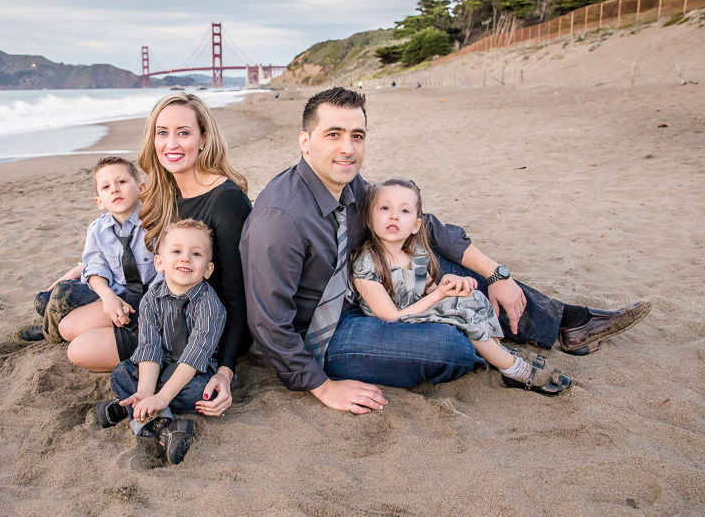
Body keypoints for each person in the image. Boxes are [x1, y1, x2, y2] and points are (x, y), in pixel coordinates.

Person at [241, 86, 650, 414]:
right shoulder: (280, 220)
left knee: (464, 277)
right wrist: (323, 387)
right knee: (450, 348)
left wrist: (496, 275)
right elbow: (268, 323)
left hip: (369, 288)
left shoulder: (349, 183)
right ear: (304, 141)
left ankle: (564, 324)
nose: (348, 148)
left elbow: (428, 227)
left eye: (357, 136)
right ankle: (485, 345)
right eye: (334, 134)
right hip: (325, 332)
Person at [351, 178, 570, 396]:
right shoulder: (366, 263)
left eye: (405, 211)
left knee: (471, 297)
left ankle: (497, 352)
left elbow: (429, 288)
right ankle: (513, 367)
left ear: (416, 225)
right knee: (460, 310)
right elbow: (390, 316)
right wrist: (440, 295)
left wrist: (450, 286)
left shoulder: (415, 251)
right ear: (369, 219)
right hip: (391, 326)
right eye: (385, 208)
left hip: (414, 312)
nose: (394, 216)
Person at [137, 92, 253, 418]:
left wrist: (226, 371)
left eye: (183, 132)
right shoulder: (169, 193)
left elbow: (237, 296)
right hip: (166, 312)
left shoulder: (226, 201)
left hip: (204, 330)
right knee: (74, 326)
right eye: (163, 133)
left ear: (203, 138)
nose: (171, 143)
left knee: (81, 349)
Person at [95, 220, 226, 465]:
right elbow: (149, 347)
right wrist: (146, 390)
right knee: (122, 372)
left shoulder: (209, 304)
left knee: (203, 392)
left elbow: (195, 356)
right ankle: (166, 428)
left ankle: (133, 410)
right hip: (160, 367)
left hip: (192, 372)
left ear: (208, 269)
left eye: (195, 254)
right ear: (159, 262)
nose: (185, 258)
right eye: (176, 251)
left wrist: (162, 397)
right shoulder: (151, 299)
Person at [14, 157, 158, 374]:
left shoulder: (156, 222)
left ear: (141, 188)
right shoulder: (98, 229)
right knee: (45, 302)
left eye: (122, 182)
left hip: (149, 299)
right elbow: (96, 267)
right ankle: (58, 329)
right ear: (99, 201)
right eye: (106, 187)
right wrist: (109, 298)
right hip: (115, 294)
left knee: (63, 304)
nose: (115, 190)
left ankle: (65, 333)